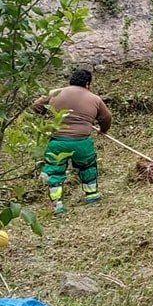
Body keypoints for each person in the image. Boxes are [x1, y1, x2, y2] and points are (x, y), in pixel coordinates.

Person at [33, 69, 112, 214]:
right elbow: (106, 118)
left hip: (57, 142)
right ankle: (92, 195)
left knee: (55, 170)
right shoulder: (95, 99)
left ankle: (57, 203)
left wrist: (47, 114)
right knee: (88, 166)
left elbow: (37, 106)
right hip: (82, 142)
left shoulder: (55, 93)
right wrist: (103, 130)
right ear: (88, 83)